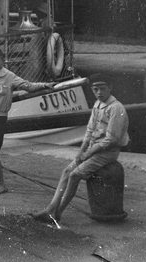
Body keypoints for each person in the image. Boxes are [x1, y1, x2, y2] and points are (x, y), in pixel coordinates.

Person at [32, 74, 129, 224]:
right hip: (94, 149)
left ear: (110, 88)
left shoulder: (116, 108)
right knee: (66, 172)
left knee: (75, 175)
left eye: (103, 89)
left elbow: (111, 140)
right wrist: (81, 151)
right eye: (95, 89)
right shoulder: (98, 104)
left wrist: (88, 153)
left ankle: (58, 213)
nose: (99, 93)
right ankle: (50, 208)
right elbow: (90, 130)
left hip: (108, 152)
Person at [0, 46, 54, 194]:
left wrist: (44, 85)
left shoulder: (9, 76)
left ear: (3, 60)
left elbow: (28, 86)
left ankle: (1, 184)